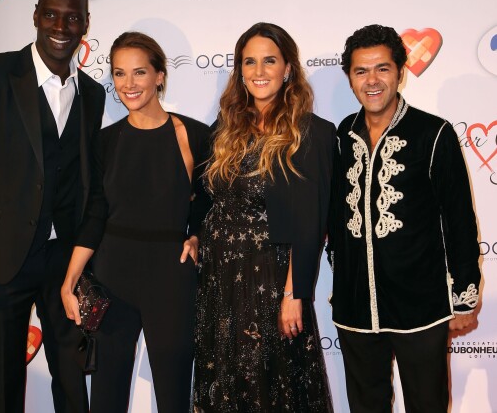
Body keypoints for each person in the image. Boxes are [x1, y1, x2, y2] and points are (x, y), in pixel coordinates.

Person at [0, 0, 106, 412]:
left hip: (63, 266)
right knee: (2, 384)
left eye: (73, 18)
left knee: (72, 381)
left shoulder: (92, 94)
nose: (60, 26)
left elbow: (85, 181)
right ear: (35, 15)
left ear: (85, 24)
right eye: (51, 14)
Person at [327, 24, 481, 413]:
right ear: (349, 78)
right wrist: (341, 275)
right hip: (357, 308)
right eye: (361, 71)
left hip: (421, 307)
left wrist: (464, 297)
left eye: (382, 68)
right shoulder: (343, 135)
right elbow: (335, 215)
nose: (372, 80)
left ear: (400, 72)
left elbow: (459, 219)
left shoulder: (434, 133)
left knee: (428, 405)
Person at [61, 31, 210, 413]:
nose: (129, 84)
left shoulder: (194, 134)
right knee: (107, 393)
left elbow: (207, 204)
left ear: (160, 75)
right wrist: (71, 279)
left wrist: (195, 235)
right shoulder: (106, 141)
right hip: (113, 273)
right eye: (120, 73)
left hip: (172, 274)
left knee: (174, 391)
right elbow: (96, 213)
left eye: (139, 72)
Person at [193, 22, 336, 412]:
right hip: (219, 280)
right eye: (249, 62)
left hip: (271, 282)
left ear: (287, 67)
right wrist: (193, 236)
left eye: (269, 60)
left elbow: (311, 223)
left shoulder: (311, 132)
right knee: (226, 380)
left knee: (272, 386)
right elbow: (207, 199)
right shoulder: (224, 129)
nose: (259, 71)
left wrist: (295, 295)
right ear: (239, 70)